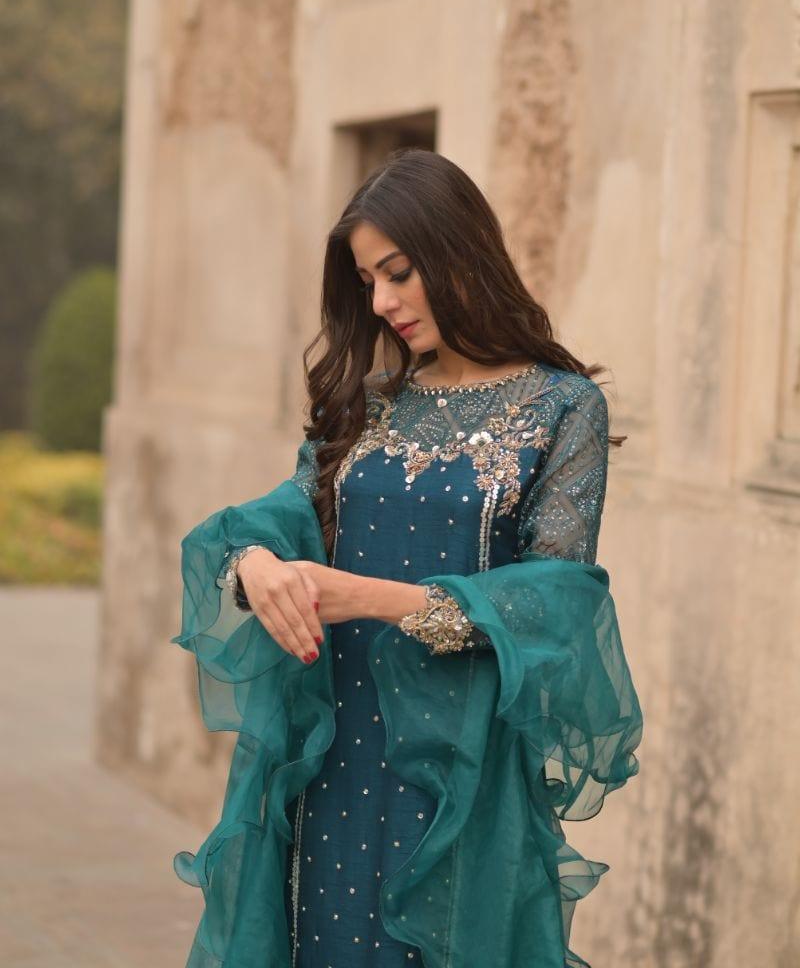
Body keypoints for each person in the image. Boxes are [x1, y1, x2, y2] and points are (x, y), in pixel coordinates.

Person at [171, 148, 643, 968]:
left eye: (398, 272)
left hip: (461, 773)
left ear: (459, 251)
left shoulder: (563, 409)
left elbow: (555, 607)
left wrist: (367, 597)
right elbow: (278, 522)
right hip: (331, 758)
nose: (382, 302)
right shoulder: (369, 405)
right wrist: (253, 564)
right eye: (367, 282)